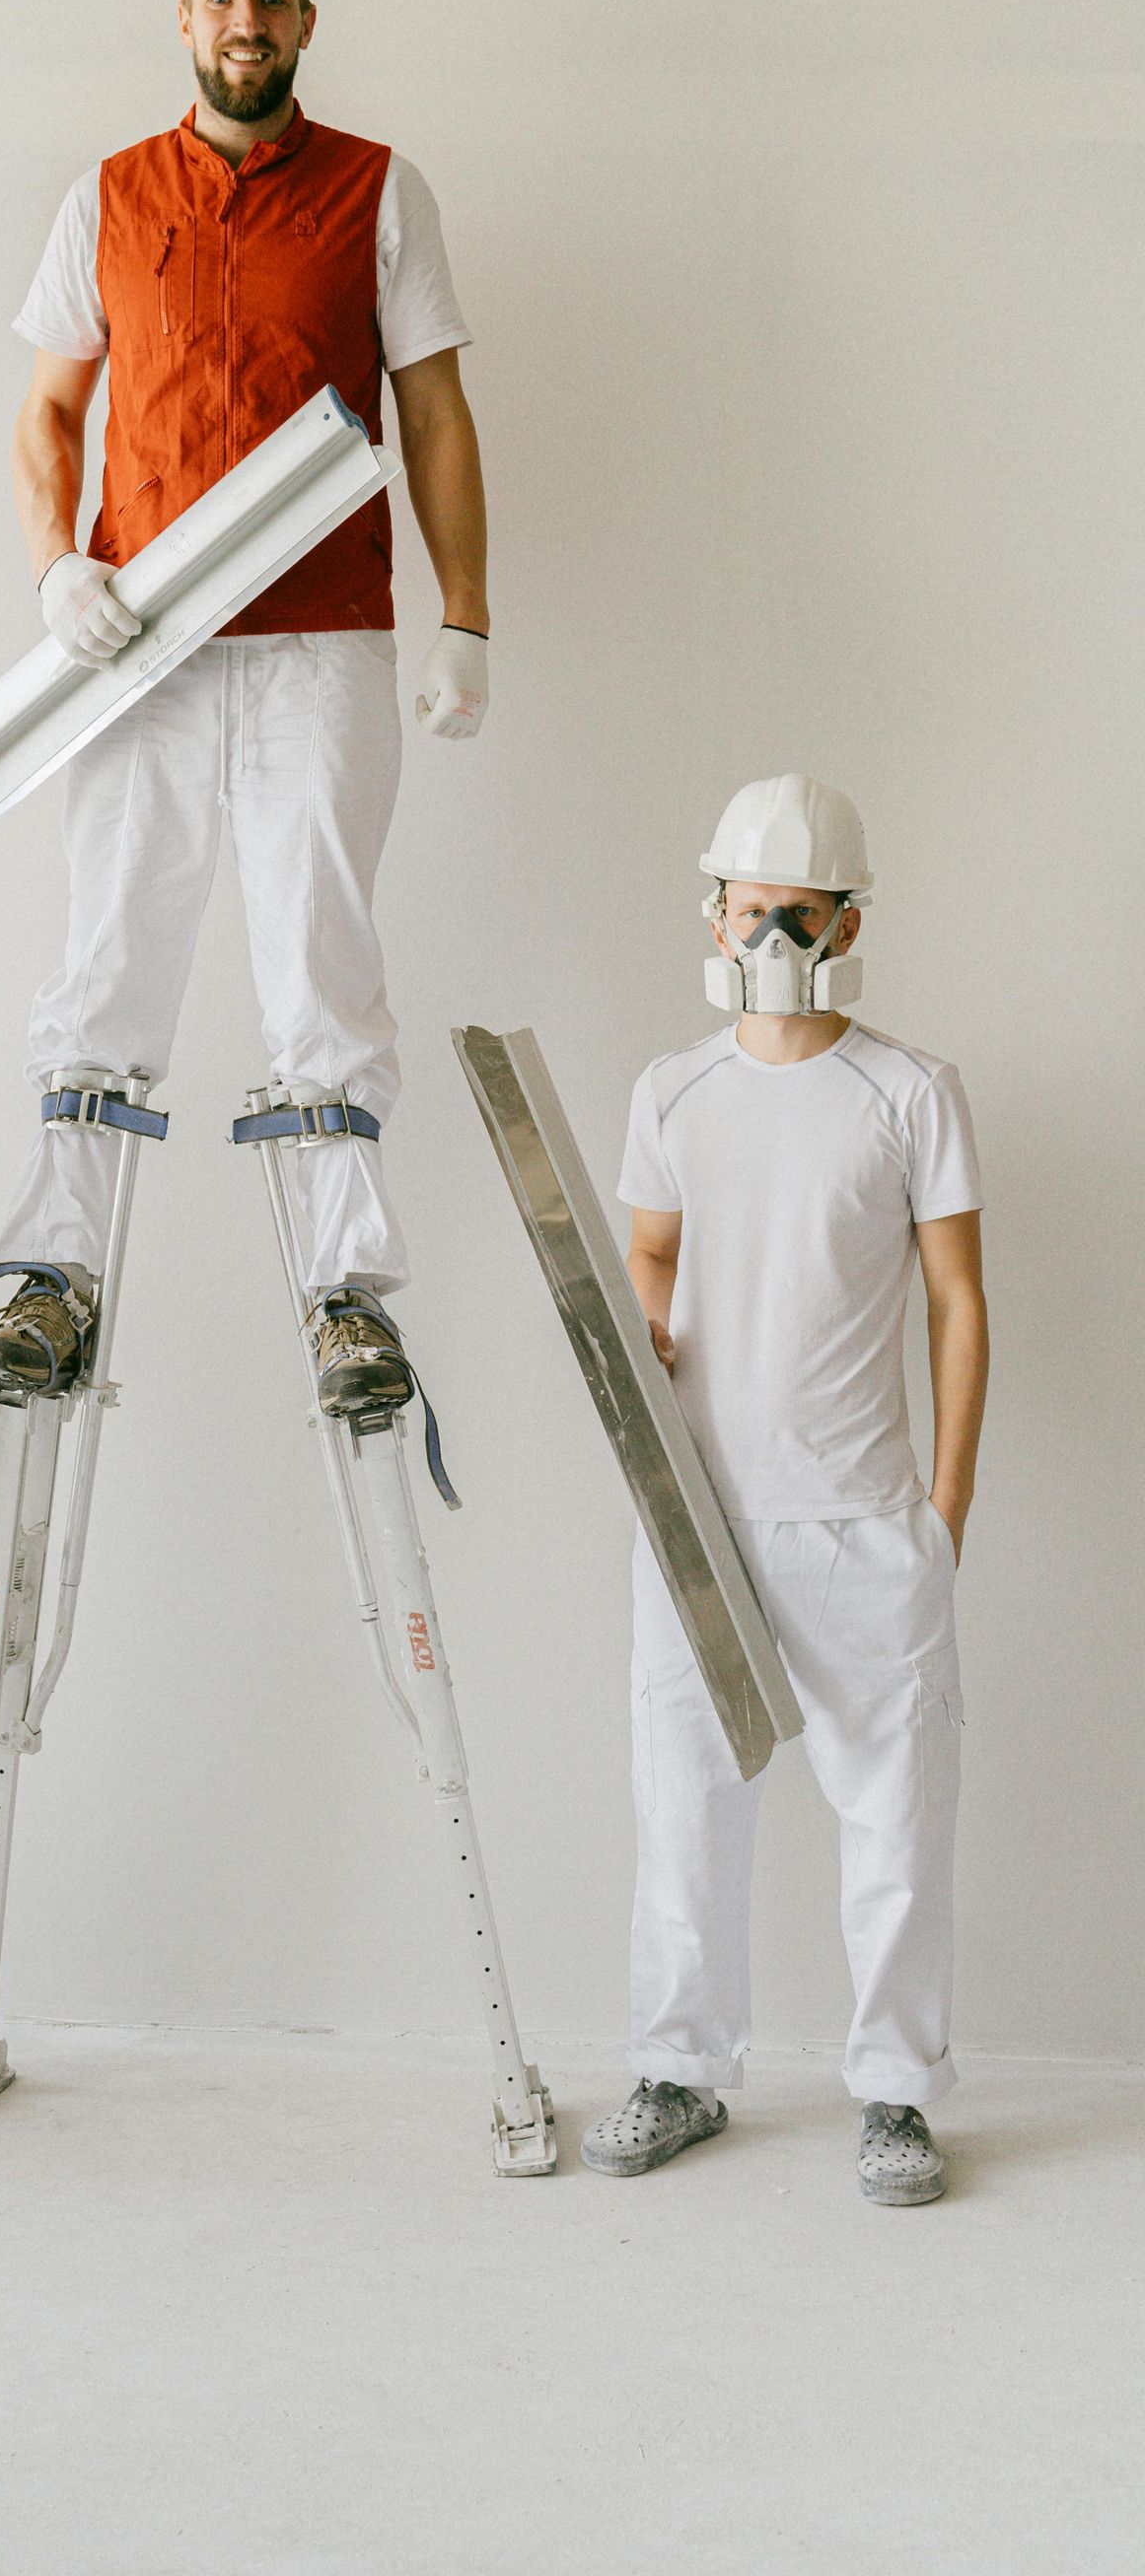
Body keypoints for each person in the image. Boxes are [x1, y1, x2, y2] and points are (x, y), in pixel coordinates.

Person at [0, 0, 492, 1419]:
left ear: (308, 20)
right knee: (109, 958)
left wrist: (464, 613)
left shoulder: (380, 193)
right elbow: (48, 409)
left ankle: (347, 1297)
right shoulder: (110, 197)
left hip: (323, 641)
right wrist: (55, 566)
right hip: (141, 648)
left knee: (321, 959)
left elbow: (435, 411)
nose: (245, 23)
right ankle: (56, 1280)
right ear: (184, 21)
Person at [580, 774, 988, 2207]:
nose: (769, 938)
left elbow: (956, 1300)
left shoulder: (910, 1091)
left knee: (897, 1819)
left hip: (864, 1522)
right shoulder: (672, 1091)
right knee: (685, 1807)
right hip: (701, 1515)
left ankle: (896, 2096)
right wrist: (649, 1330)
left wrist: (944, 1509)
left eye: (798, 914)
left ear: (847, 923)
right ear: (715, 914)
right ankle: (679, 2071)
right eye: (750, 909)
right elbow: (650, 1254)